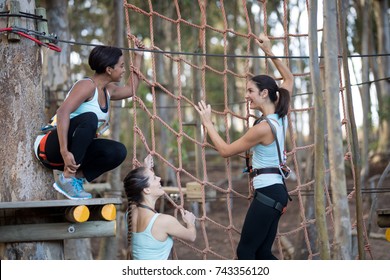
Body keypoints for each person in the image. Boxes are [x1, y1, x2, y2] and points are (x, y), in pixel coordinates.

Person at [195, 33, 294, 260]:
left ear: (265, 93)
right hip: (275, 191)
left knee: (246, 252)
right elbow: (288, 79)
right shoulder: (281, 113)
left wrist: (208, 123)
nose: (247, 96)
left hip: (269, 192)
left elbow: (225, 151)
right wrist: (268, 50)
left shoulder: (263, 128)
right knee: (261, 252)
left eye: (250, 91)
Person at [34, 38, 145, 200]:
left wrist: (138, 56)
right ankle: (67, 178)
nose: (123, 70)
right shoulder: (87, 86)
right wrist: (64, 152)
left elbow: (130, 89)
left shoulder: (108, 90)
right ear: (108, 69)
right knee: (90, 119)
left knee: (118, 151)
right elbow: (63, 112)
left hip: (74, 154)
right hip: (51, 147)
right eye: (121, 66)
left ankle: (76, 178)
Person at [123, 155, 196, 260]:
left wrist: (146, 169)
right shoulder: (164, 221)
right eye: (154, 178)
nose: (159, 178)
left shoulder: (130, 213)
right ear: (146, 190)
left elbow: (136, 189)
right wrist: (190, 222)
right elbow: (191, 236)